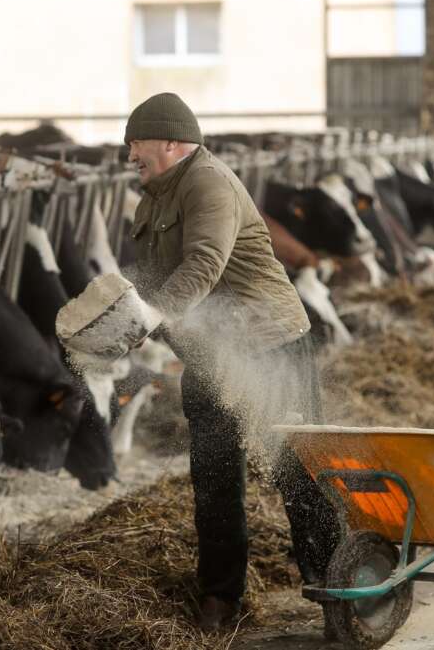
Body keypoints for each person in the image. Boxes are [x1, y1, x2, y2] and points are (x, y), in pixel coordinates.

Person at [123, 92, 340, 633]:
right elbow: (152, 273)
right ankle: (222, 597)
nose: (130, 155)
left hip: (269, 346)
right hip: (212, 354)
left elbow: (204, 262)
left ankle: (340, 586)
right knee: (214, 475)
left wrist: (154, 313)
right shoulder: (153, 196)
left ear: (171, 143)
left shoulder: (208, 183)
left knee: (295, 468)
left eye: (137, 144)